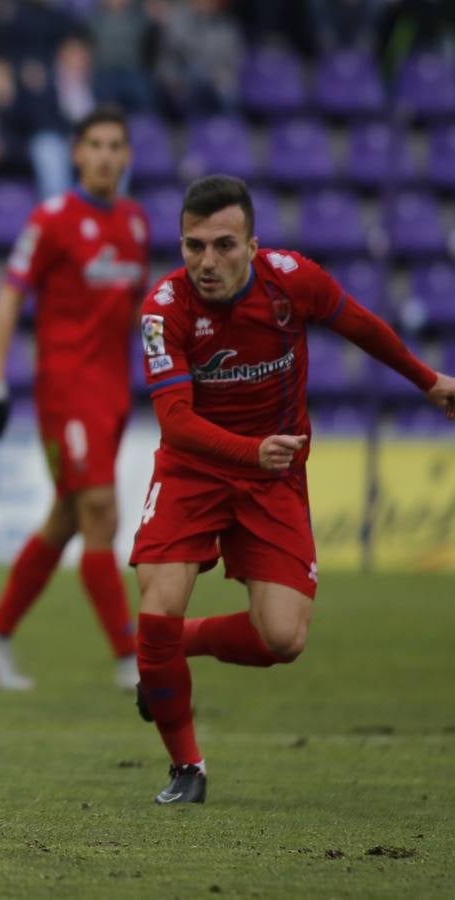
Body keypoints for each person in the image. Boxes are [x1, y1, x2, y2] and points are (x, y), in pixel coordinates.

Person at [131, 174, 455, 804]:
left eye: (224, 245)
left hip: (272, 476)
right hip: (192, 468)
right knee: (157, 604)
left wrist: (426, 379)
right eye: (194, 246)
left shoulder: (292, 280)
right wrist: (249, 449)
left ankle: (176, 647)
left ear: (253, 246)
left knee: (282, 638)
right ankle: (187, 768)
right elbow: (175, 421)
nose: (207, 261)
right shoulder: (162, 309)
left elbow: (360, 326)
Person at [0, 108, 148, 692]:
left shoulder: (137, 222)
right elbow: (8, 297)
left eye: (114, 145)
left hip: (114, 392)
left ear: (126, 156)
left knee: (67, 518)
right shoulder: (51, 220)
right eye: (94, 144)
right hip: (66, 391)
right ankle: (131, 659)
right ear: (76, 153)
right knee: (101, 510)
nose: (103, 155)